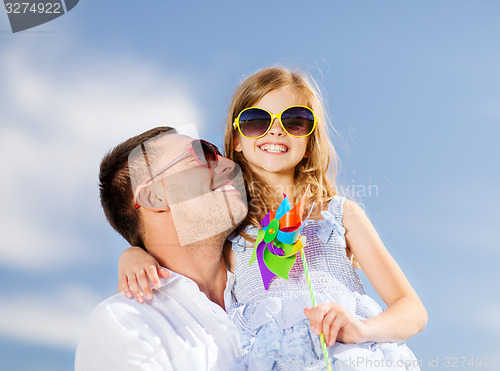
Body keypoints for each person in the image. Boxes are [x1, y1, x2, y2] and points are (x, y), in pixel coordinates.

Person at [118, 67, 428, 370]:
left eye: (295, 121)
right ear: (236, 139)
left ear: (309, 142)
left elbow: (412, 310)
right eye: (256, 121)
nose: (275, 130)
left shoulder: (340, 215)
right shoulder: (230, 228)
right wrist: (133, 254)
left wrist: (361, 329)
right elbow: (179, 254)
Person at [75, 126, 248, 370]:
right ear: (154, 197)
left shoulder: (274, 284)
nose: (228, 164)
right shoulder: (127, 324)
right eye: (202, 154)